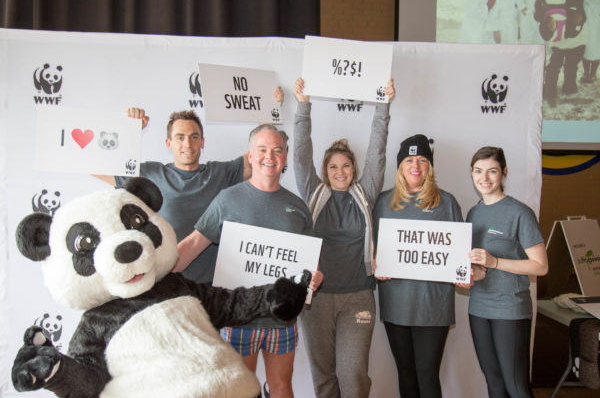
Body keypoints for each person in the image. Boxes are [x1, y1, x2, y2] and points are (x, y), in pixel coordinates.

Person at [174, 124, 323, 398]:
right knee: (241, 391)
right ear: (250, 156)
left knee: (281, 387)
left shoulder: (298, 206)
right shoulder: (228, 199)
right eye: (262, 150)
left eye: (277, 150)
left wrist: (314, 278)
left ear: (285, 158)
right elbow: (194, 243)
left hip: (281, 320)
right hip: (239, 317)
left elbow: (309, 265)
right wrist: (159, 273)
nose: (270, 156)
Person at [95, 89, 282, 284]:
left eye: (194, 137)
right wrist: (129, 130)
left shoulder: (219, 173)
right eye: (180, 137)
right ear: (168, 143)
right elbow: (97, 166)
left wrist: (271, 108)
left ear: (202, 142)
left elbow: (261, 156)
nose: (188, 143)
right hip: (167, 285)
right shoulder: (152, 174)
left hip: (214, 287)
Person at [292, 78, 394, 398]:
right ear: (325, 169)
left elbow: (377, 150)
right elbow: (299, 153)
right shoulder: (313, 193)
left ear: (354, 168)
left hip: (358, 296)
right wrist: (303, 105)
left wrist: (383, 104)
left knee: (352, 375)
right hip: (317, 300)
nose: (340, 171)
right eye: (333, 166)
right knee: (323, 378)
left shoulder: (365, 194)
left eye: (346, 165)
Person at [372, 134, 463, 398]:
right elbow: (372, 248)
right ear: (400, 166)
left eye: (423, 159)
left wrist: (463, 271)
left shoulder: (447, 202)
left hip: (432, 306)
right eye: (409, 160)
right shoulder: (383, 202)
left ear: (430, 166)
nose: (416, 165)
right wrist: (376, 263)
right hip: (397, 304)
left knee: (427, 373)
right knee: (406, 373)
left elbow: (458, 254)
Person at [465, 146, 548, 398]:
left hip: (510, 309)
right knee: (494, 383)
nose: (485, 178)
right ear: (471, 173)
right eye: (479, 171)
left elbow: (541, 266)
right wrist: (475, 273)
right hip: (479, 308)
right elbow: (480, 266)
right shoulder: (473, 213)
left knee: (517, 387)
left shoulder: (519, 212)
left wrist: (495, 263)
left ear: (504, 173)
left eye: (492, 171)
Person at [581, 0, 600, 83]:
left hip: (597, 17)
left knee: (597, 46)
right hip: (585, 16)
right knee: (585, 45)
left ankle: (593, 72)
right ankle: (586, 73)